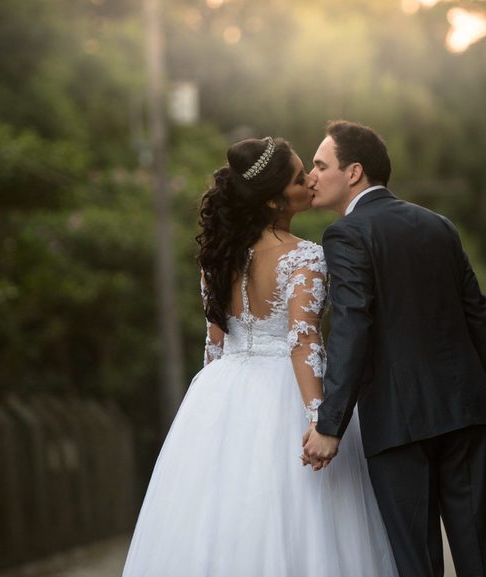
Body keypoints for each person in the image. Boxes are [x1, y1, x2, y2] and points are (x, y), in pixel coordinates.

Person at [122, 136, 397, 577]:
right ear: (273, 200)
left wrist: (210, 411)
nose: (309, 179)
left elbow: (215, 342)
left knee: (221, 517)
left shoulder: (218, 258)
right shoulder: (304, 256)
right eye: (297, 177)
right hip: (283, 389)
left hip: (219, 393)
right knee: (302, 515)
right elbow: (303, 340)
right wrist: (318, 418)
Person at [302, 120, 486, 577]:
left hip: (399, 424)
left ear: (354, 171)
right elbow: (480, 318)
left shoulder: (345, 234)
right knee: (483, 559)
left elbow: (351, 325)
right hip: (466, 414)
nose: (310, 176)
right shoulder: (438, 225)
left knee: (416, 562)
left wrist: (330, 424)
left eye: (320, 165)